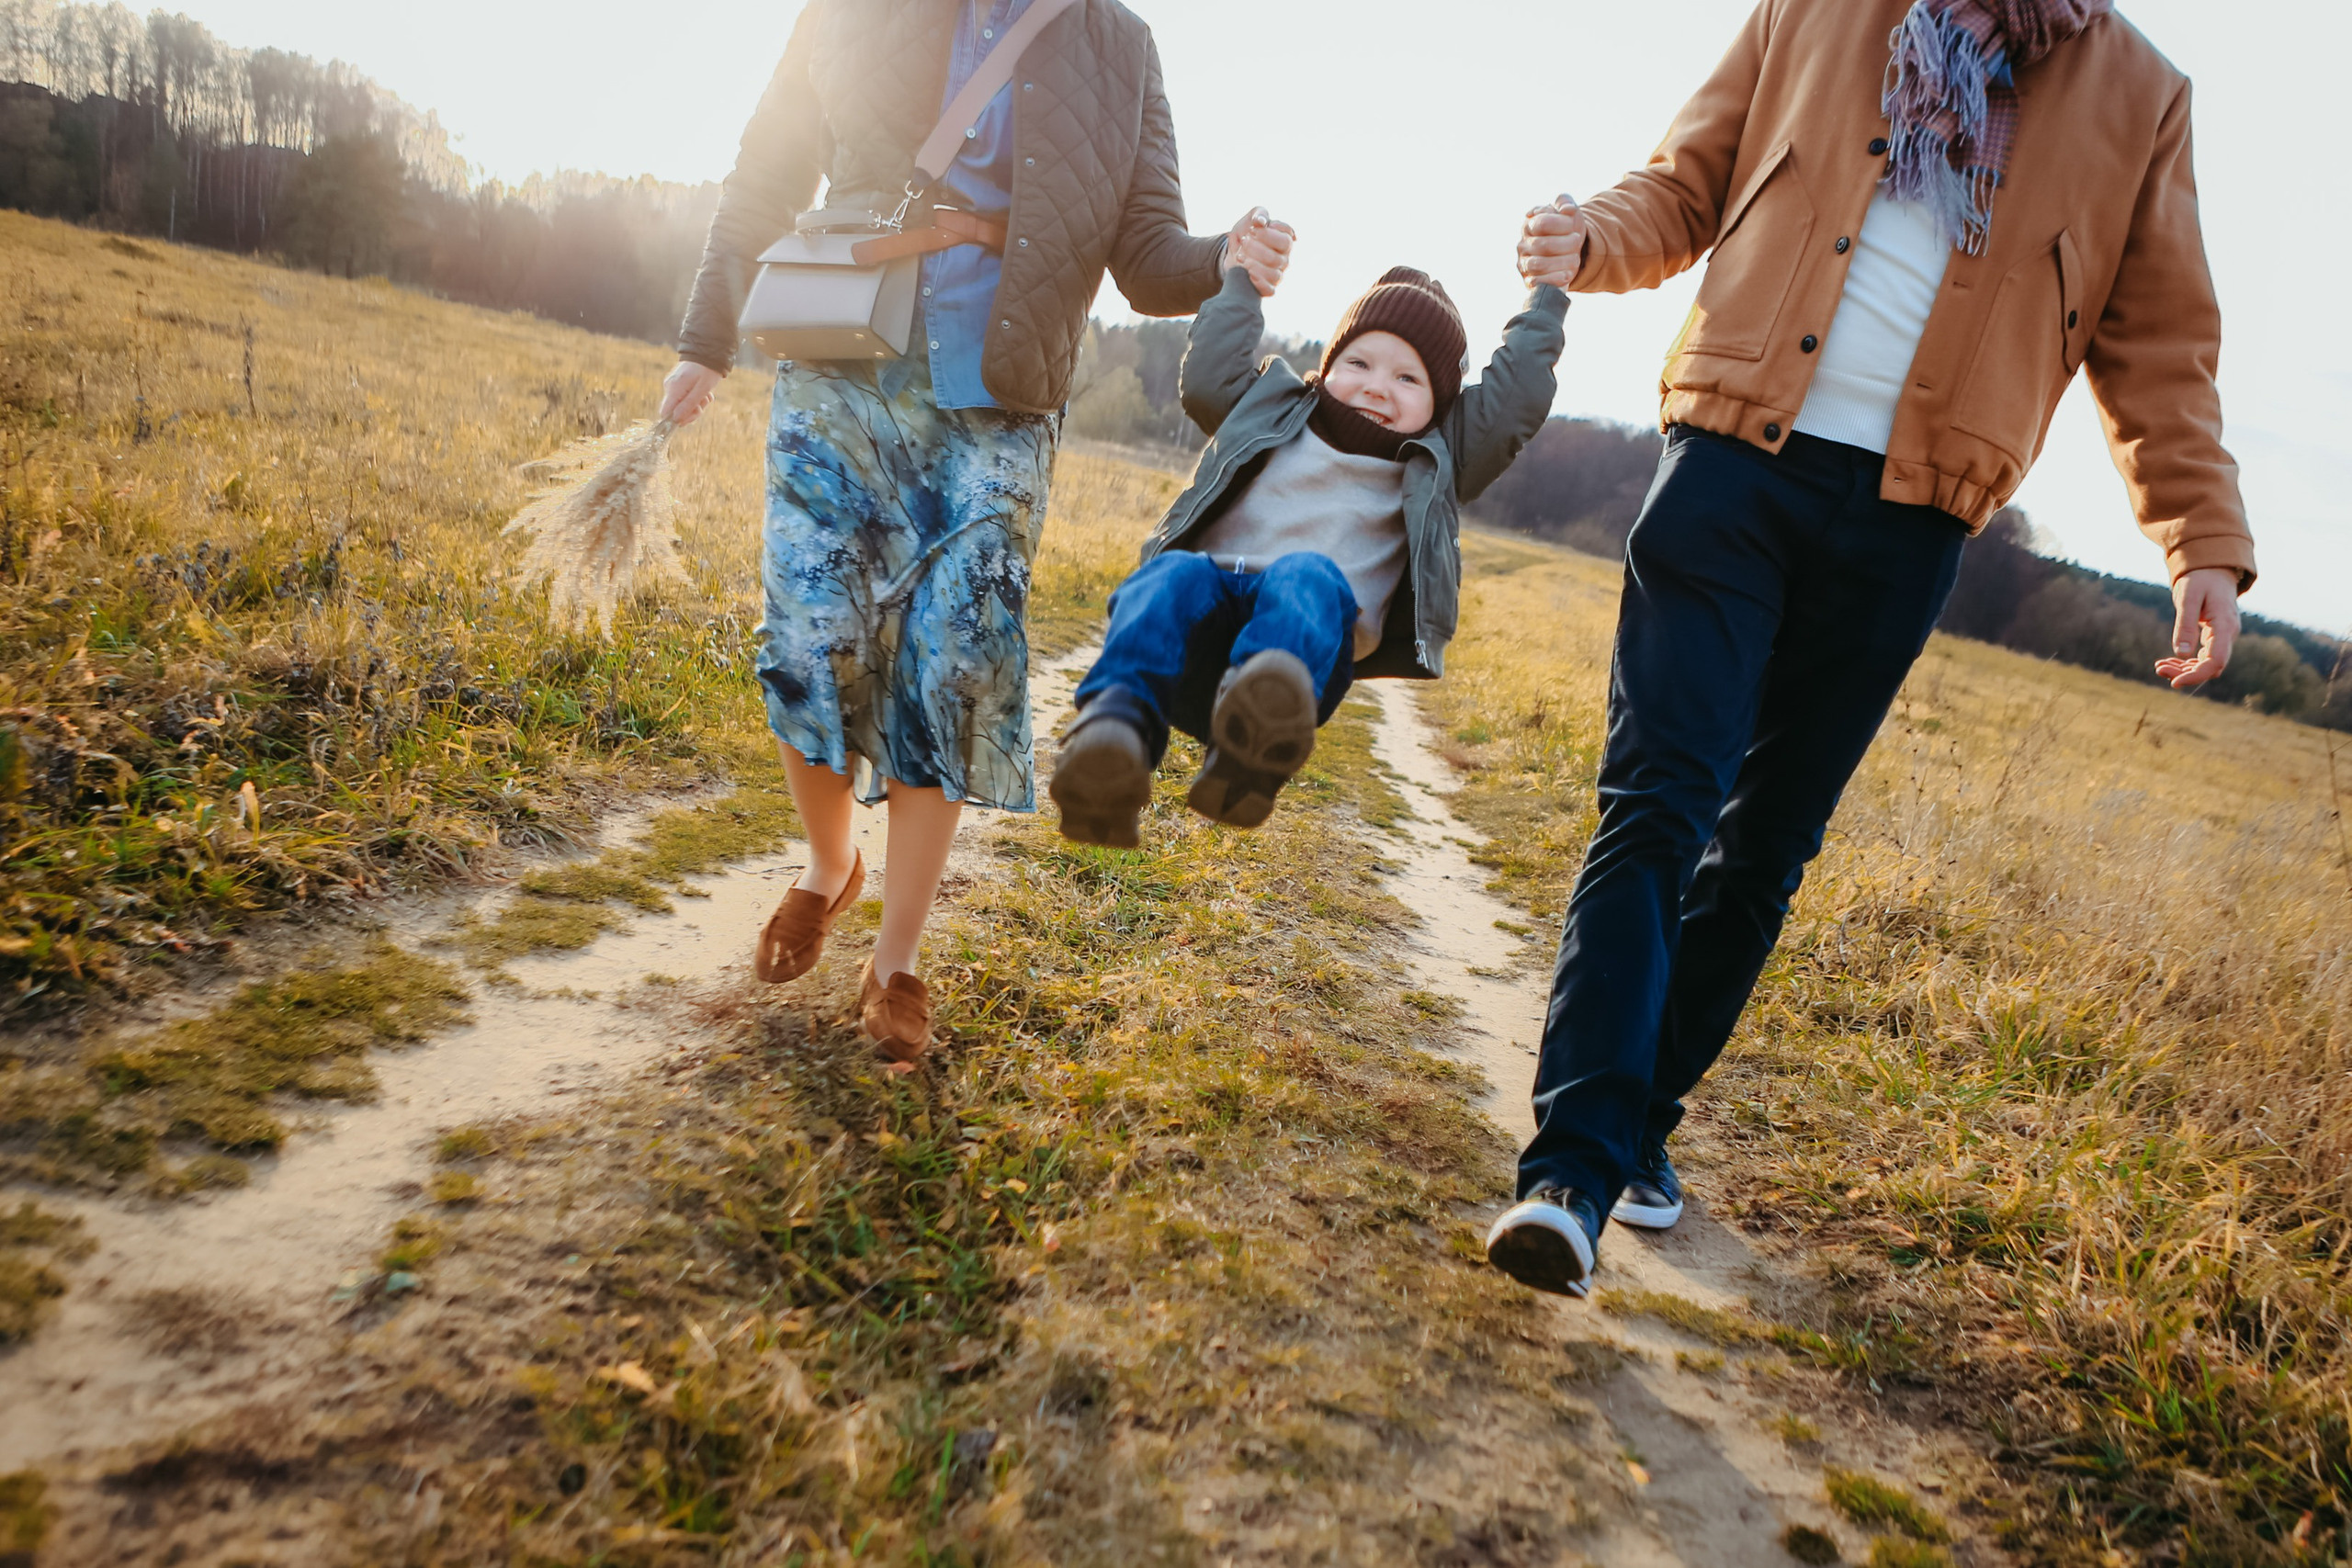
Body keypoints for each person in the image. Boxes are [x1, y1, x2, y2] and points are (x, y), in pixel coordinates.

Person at [1485, 0, 2256, 1296]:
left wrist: (2203, 544)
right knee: (1658, 801)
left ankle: (1635, 1120)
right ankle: (1570, 1173)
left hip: (1914, 515)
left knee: (1764, 843)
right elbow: (1690, 183)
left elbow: (2161, 351)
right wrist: (1587, 241)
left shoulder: (2138, 93)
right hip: (1731, 459)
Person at [658, 0, 1293, 1065]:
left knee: (951, 663)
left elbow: (1143, 256)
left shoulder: (1119, 45)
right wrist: (705, 340)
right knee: (811, 638)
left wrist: (1222, 255)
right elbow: (763, 174)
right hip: (840, 360)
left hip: (1002, 392)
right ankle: (829, 866)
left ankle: (895, 958)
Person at [1050, 263, 1566, 844]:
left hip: (1304, 647)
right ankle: (1114, 732)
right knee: (1169, 574)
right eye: (1359, 363)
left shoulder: (1438, 460)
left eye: (1407, 378)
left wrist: (1546, 295)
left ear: (1441, 403)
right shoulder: (1276, 405)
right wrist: (1241, 279)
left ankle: (1258, 732)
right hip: (1200, 626)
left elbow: (1513, 399)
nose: (1376, 386)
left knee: (1308, 573)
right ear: (1326, 366)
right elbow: (1209, 378)